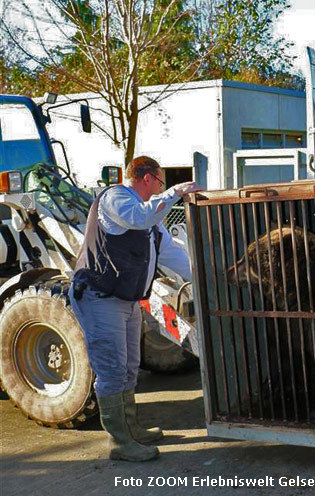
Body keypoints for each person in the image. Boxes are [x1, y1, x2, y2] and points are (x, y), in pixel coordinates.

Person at [70, 156, 202, 462]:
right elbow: (139, 218)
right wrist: (175, 194)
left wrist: (207, 277)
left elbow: (173, 255)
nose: (160, 188)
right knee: (112, 370)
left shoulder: (150, 219)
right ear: (147, 178)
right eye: (160, 182)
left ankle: (131, 429)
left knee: (129, 367)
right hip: (100, 296)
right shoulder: (116, 199)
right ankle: (119, 442)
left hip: (125, 299)